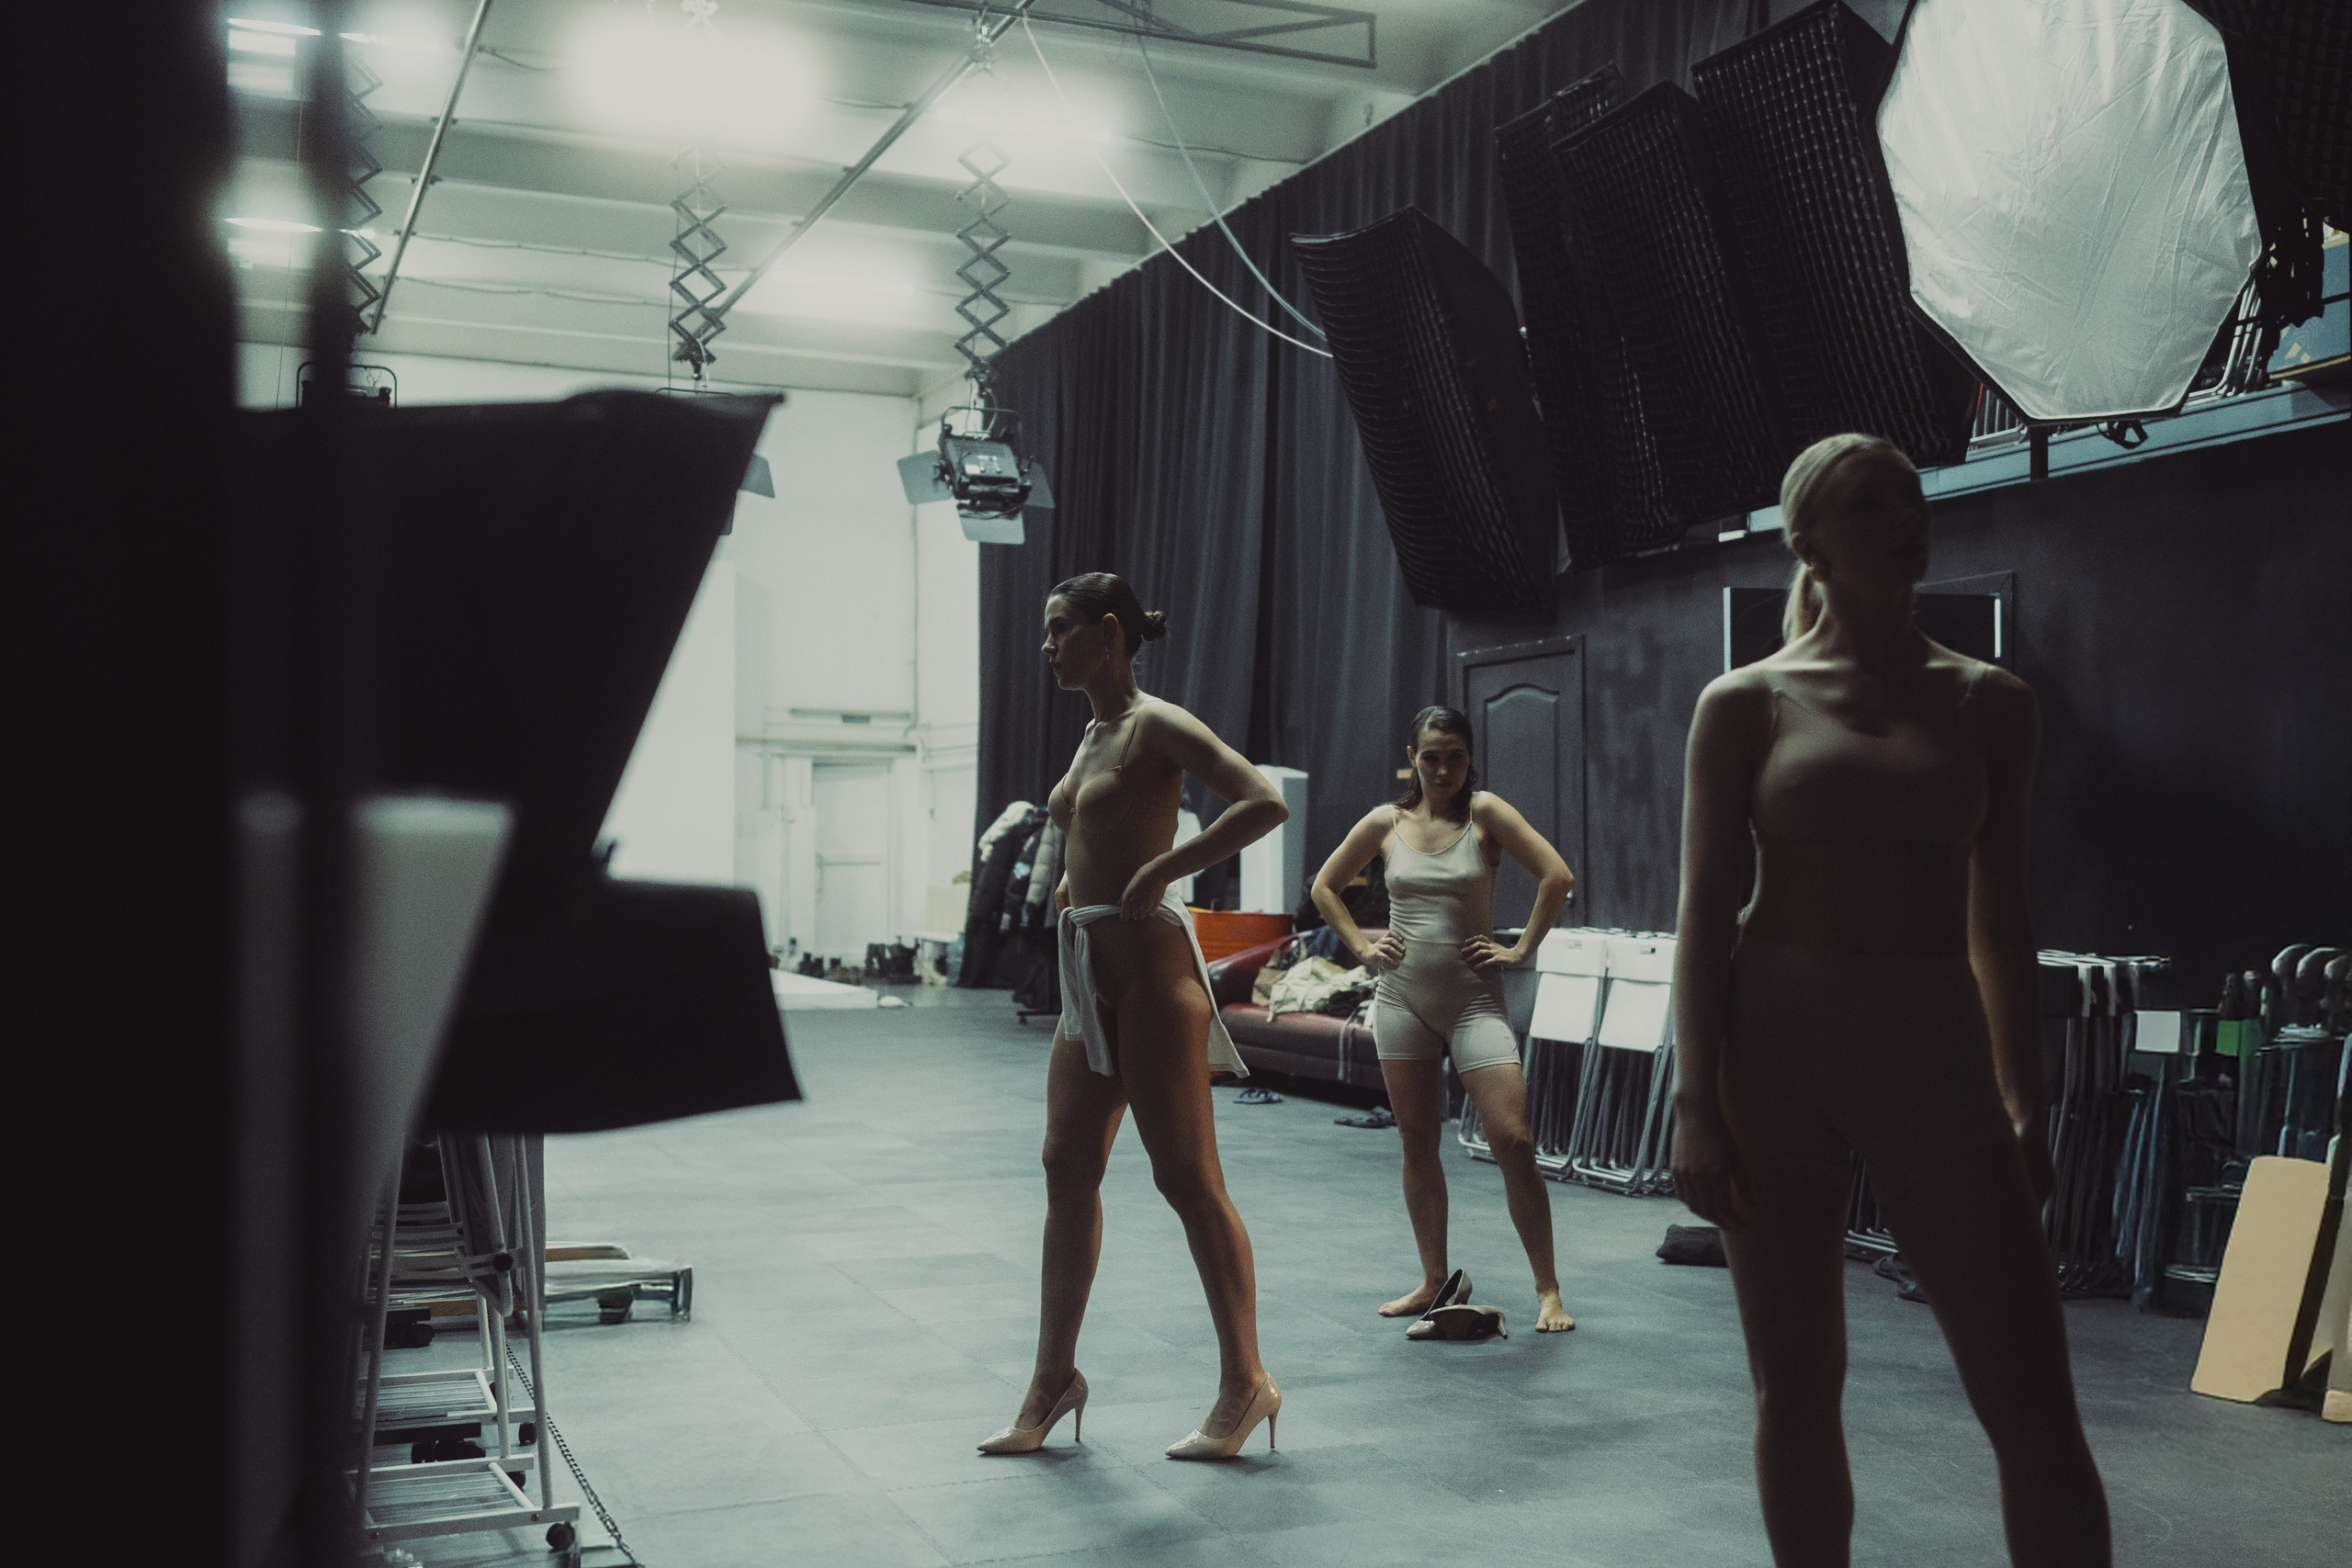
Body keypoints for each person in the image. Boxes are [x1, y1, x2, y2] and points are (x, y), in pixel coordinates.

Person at [1670, 434, 2109, 1566]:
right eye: (1871, 503)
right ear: (1806, 542)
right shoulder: (1745, 705)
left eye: (1912, 497)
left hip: (1933, 1058)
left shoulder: (1989, 703)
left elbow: (2002, 916)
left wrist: (2028, 1097)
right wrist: (1694, 1106)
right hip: (1772, 1060)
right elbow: (1704, 913)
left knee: (2032, 1406)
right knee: (1796, 1384)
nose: (1906, 518)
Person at [978, 571, 1291, 1461]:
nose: (1046, 648)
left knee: (1185, 1178)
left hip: (1153, 977)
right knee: (1064, 1166)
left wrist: (1165, 867)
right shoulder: (1091, 734)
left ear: (1106, 632)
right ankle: (1053, 1379)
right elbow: (1094, 833)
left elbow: (1261, 798)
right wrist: (1085, 878)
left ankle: (1247, 1382)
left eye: (1057, 631)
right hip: (1091, 979)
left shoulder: (1155, 721)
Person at [1310, 706, 1578, 1334]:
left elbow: (1557, 875)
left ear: (1469, 756)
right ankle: (1434, 1278)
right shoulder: (1386, 821)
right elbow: (1325, 885)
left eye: (1454, 755)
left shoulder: (1485, 813)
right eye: (1431, 756)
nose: (1443, 768)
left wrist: (1519, 951)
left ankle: (1549, 1290)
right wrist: (1361, 946)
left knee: (1514, 1138)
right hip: (1401, 999)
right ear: (1413, 756)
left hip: (1474, 1000)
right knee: (1416, 1140)